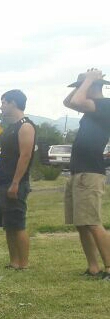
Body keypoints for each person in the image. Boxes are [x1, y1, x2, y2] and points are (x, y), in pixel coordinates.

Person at [63, 69, 110, 280]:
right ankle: (93, 267)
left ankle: (109, 267)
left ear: (94, 86)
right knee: (81, 222)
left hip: (90, 172)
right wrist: (82, 83)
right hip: (78, 171)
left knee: (92, 221)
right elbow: (69, 102)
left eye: (82, 86)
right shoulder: (90, 108)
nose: (78, 91)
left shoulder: (104, 105)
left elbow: (75, 102)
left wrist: (89, 80)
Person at [0, 89, 37, 270]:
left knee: (18, 224)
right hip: (3, 182)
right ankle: (14, 261)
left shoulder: (25, 126)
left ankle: (24, 263)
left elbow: (24, 156)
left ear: (13, 103)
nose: (1, 106)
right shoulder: (10, 127)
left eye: (4, 102)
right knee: (8, 224)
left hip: (16, 183)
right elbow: (6, 157)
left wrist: (16, 182)